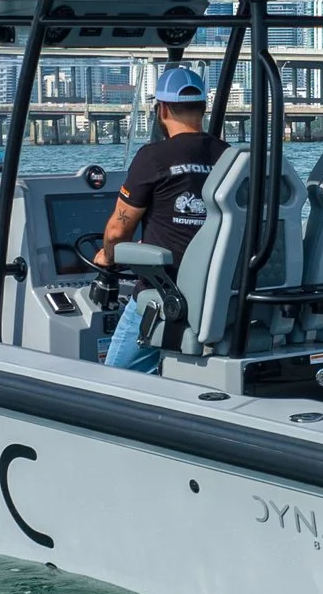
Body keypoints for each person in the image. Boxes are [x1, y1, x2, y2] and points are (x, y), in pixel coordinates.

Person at [96, 66, 227, 373]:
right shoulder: (228, 156)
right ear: (204, 108)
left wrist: (106, 257)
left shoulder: (153, 158)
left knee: (116, 380)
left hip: (167, 294)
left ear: (162, 109)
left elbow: (117, 230)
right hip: (217, 293)